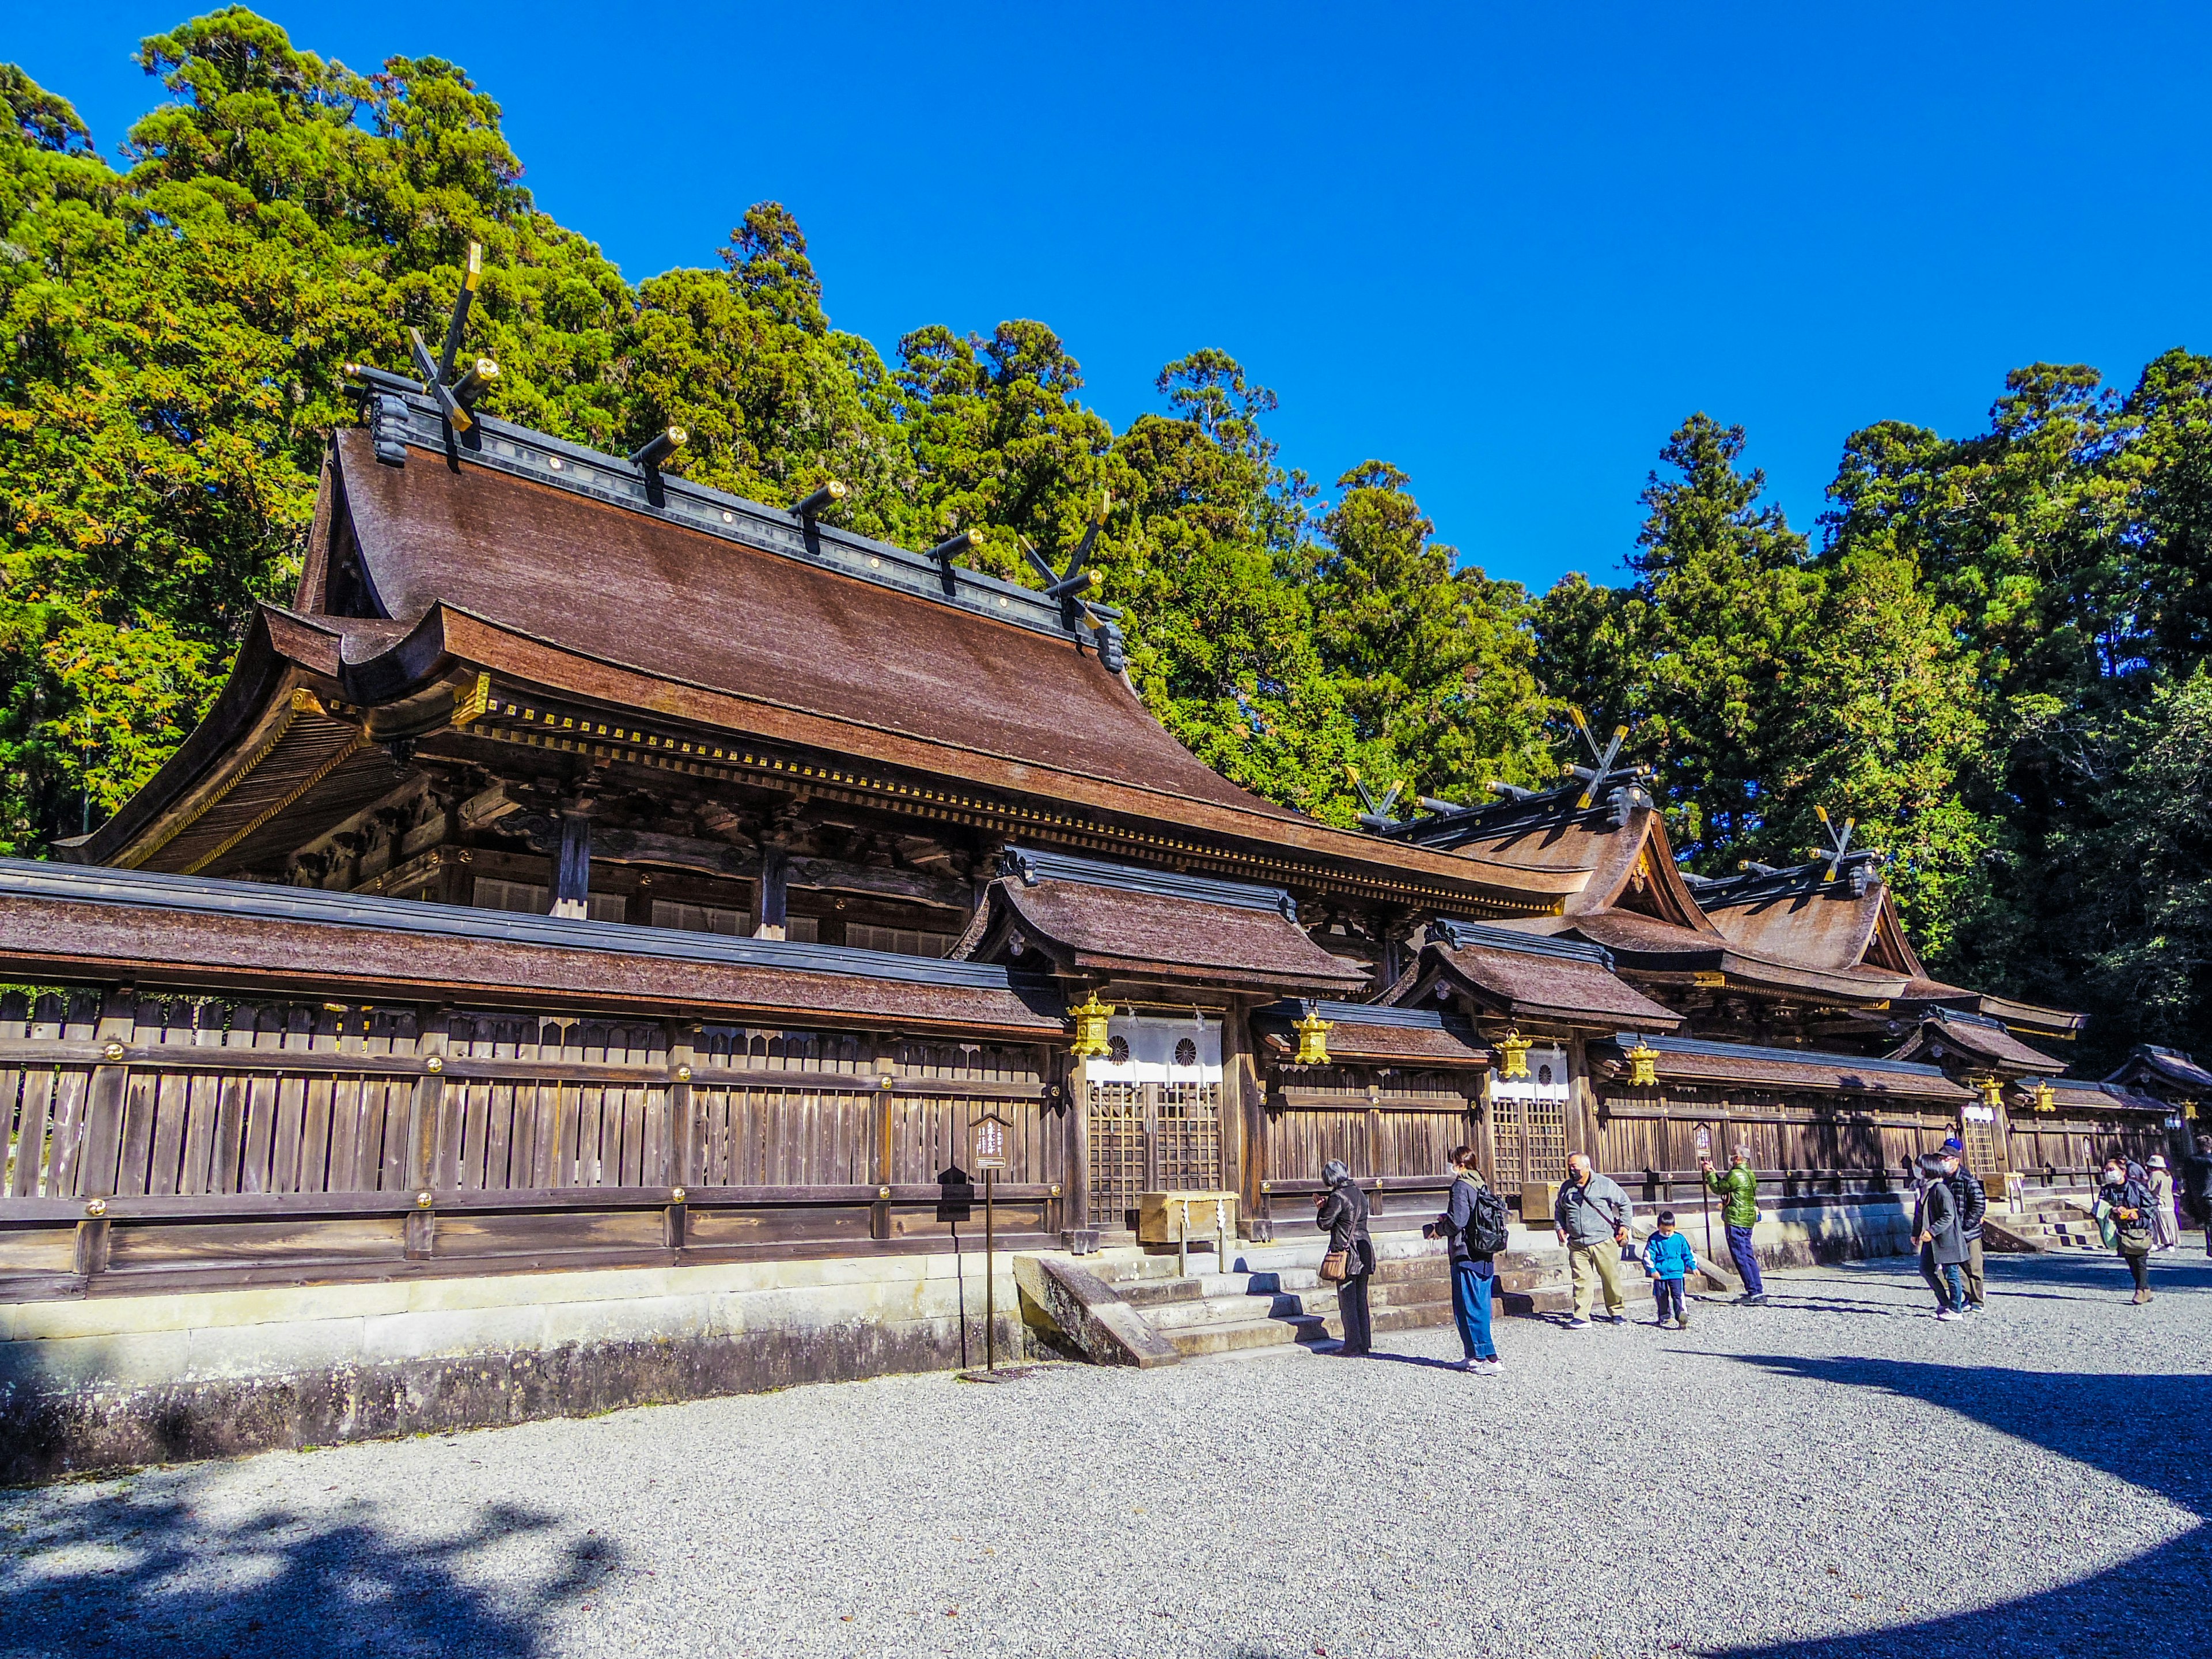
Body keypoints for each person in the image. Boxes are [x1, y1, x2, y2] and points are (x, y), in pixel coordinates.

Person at [1424, 1146, 1503, 1374]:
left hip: (1466, 1251)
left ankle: (1490, 1357)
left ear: (1460, 1164)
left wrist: (1440, 1228)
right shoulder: (1481, 1183)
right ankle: (1473, 1355)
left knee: (1471, 1306)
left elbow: (1459, 1221)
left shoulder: (1461, 1185)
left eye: (1452, 1162)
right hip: (1484, 1251)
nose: (1451, 1167)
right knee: (1476, 1304)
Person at [1554, 1153, 1633, 1329]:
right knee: (1581, 1280)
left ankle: (1616, 1311)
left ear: (1587, 1167)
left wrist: (1625, 1226)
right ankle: (1581, 1316)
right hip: (1577, 1243)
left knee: (1610, 1278)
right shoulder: (1566, 1188)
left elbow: (1625, 1203)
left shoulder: (1604, 1184)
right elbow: (1559, 1210)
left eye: (1576, 1167)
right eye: (1570, 1166)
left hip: (1603, 1240)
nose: (1572, 1170)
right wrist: (1559, 1227)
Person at [1317, 1159, 1374, 1355]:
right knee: (1361, 1298)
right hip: (1364, 1250)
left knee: (1347, 1300)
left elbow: (1325, 1223)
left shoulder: (1338, 1196)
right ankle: (1364, 1343)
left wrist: (1321, 1208)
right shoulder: (1360, 1193)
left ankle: (1351, 1344)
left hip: (1347, 1254)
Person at [1698, 1145, 1767, 1305]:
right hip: (1747, 1219)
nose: (1730, 1158)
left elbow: (1718, 1188)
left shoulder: (1735, 1174)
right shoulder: (1748, 1174)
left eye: (1732, 1155)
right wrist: (1715, 1173)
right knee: (1748, 1255)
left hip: (1736, 1219)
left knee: (1741, 1257)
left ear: (1738, 1158)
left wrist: (1709, 1173)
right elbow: (1728, 1185)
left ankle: (1754, 1293)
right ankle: (1756, 1290)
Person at [1912, 1152, 1968, 1321]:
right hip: (1931, 1239)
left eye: (1920, 1167)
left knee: (1951, 1273)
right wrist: (1915, 1233)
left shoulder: (1940, 1189)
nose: (1918, 1170)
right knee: (1926, 1270)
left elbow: (1948, 1216)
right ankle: (1944, 1303)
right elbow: (1919, 1213)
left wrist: (1932, 1231)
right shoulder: (1924, 1188)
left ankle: (1956, 1308)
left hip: (1946, 1239)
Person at [2099, 1156, 2157, 1304]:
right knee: (2131, 1261)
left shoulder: (2137, 1187)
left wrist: (2137, 1213)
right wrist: (2114, 1209)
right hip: (2122, 1231)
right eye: (2106, 1171)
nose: (2109, 1173)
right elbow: (2100, 1209)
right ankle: (2146, 1290)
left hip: (2140, 1229)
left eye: (2112, 1169)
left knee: (2140, 1260)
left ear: (2123, 1171)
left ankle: (2139, 1290)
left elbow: (2152, 1206)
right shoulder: (2106, 1190)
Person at [1941, 1138, 1988, 1312]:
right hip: (1952, 1231)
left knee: (1973, 1267)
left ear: (1956, 1160)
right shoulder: (1944, 1182)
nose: (1943, 1162)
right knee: (1953, 1268)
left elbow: (1979, 1204)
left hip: (1969, 1232)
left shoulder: (1967, 1180)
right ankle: (1968, 1295)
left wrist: (1967, 1224)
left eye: (1947, 1159)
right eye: (1942, 1159)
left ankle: (1977, 1301)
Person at [1642, 1210, 1697, 1330]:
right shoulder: (1654, 1239)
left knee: (1678, 1295)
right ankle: (1665, 1317)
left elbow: (1687, 1254)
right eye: (1663, 1230)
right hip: (1660, 1274)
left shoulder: (1680, 1239)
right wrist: (1652, 1270)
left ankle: (1682, 1315)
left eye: (1669, 1231)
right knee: (1661, 1295)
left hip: (1676, 1273)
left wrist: (1693, 1266)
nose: (1666, 1233)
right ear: (1658, 1227)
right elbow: (1648, 1256)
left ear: (1674, 1227)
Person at [2185, 1134, 2212, 1258]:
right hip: (2210, 1194)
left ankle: (2211, 1248)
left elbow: (2186, 1179)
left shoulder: (2190, 1161)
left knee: (2209, 1222)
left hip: (2198, 1197)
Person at [2146, 1156, 2179, 1251]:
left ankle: (2163, 1243)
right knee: (2170, 1223)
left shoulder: (2155, 1175)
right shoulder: (2168, 1175)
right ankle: (2171, 1243)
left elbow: (2150, 1188)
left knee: (2160, 1224)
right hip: (2169, 1202)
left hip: (2159, 1201)